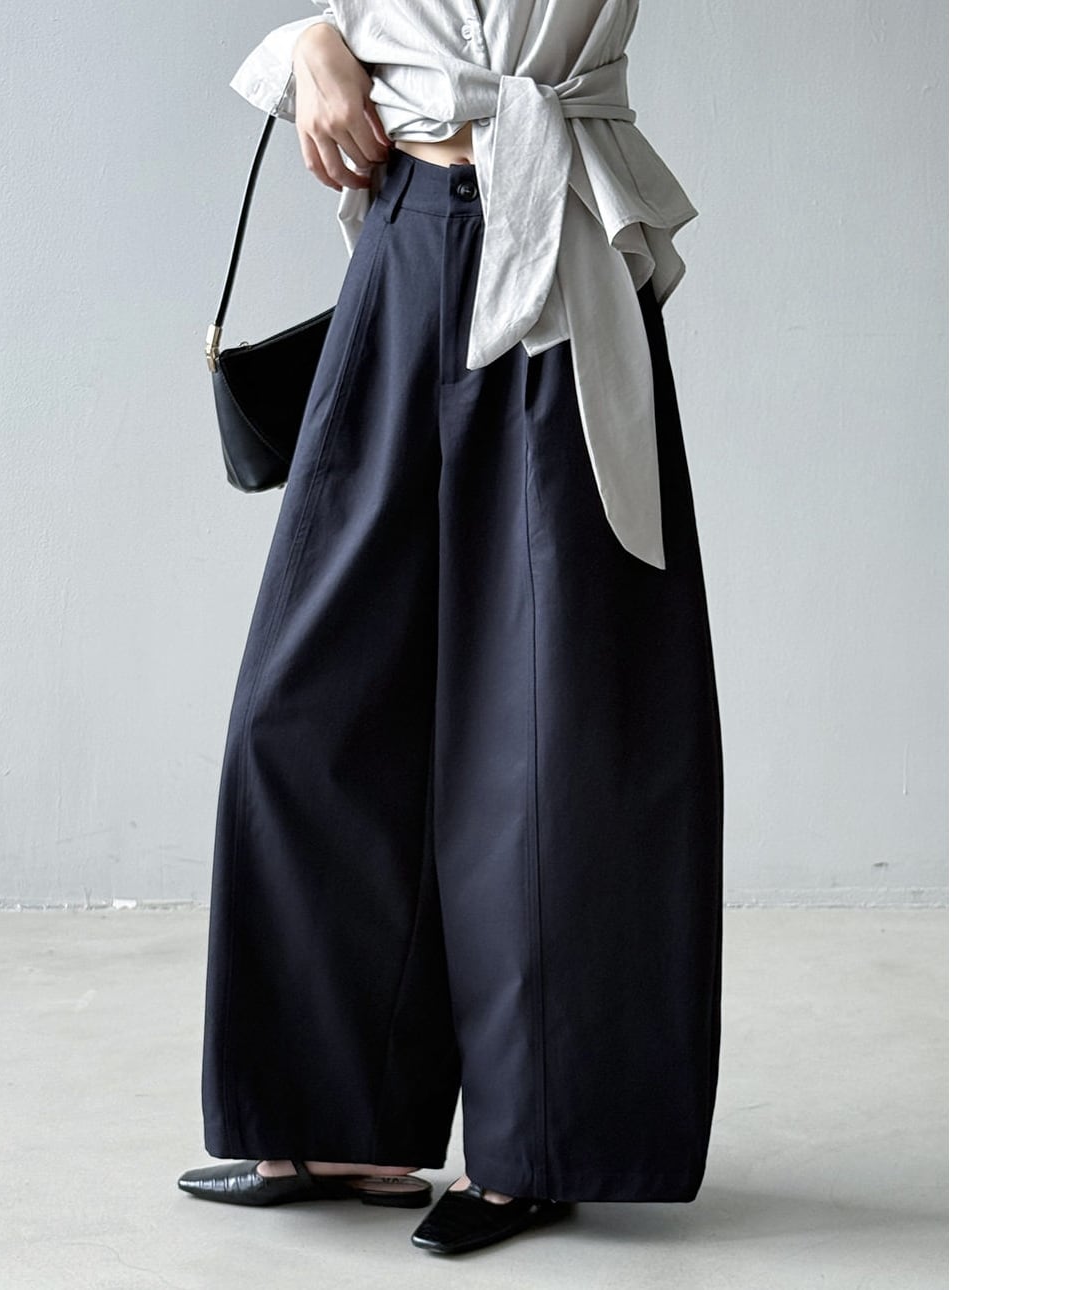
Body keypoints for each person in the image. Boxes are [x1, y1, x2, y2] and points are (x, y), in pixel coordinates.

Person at [178, 1, 724, 1257]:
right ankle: (339, 1116)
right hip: (407, 235)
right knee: (309, 698)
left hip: (557, 242)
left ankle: (544, 1144)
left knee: (548, 716)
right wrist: (314, 44)